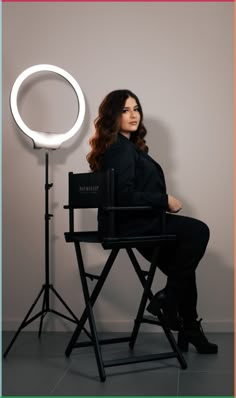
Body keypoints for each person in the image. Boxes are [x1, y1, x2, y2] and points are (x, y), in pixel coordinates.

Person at [87, 89, 218, 354]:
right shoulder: (120, 150)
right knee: (198, 231)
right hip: (134, 225)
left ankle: (187, 325)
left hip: (139, 222)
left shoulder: (126, 147)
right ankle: (167, 301)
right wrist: (164, 199)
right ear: (113, 115)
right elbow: (123, 195)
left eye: (136, 108)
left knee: (184, 269)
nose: (133, 115)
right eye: (125, 110)